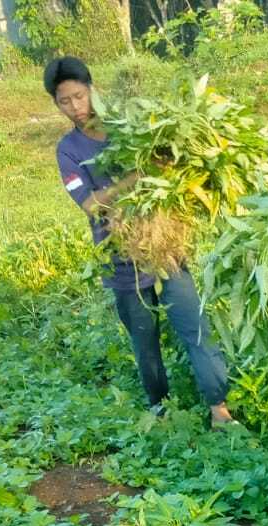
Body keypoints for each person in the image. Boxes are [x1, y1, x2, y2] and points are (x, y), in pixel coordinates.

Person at [45, 56, 235, 428]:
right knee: (145, 343)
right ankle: (161, 410)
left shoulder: (129, 127)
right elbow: (89, 204)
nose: (75, 108)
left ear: (92, 90)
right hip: (121, 260)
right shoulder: (68, 150)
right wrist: (134, 178)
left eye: (79, 97)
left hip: (165, 248)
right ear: (56, 104)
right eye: (64, 101)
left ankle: (219, 409)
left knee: (194, 326)